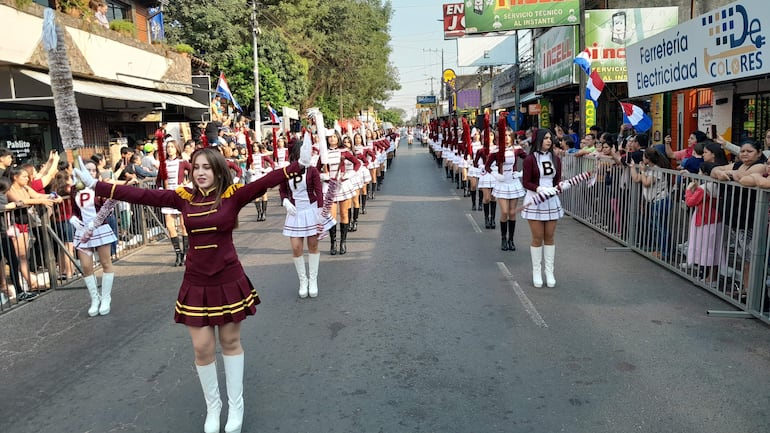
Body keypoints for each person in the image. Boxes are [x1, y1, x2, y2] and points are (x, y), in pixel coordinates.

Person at [74, 147, 303, 433]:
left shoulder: (232, 196)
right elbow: (143, 196)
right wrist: (98, 184)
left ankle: (236, 405)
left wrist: (297, 166)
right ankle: (213, 407)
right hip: (196, 281)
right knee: (202, 347)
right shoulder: (183, 198)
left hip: (228, 278)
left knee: (230, 343)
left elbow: (264, 181)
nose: (201, 172)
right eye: (196, 167)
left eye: (207, 167)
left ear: (218, 170)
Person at [280, 140, 334, 298]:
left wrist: (320, 214)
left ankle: (313, 280)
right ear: (297, 153)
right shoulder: (287, 170)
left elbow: (319, 193)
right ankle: (302, 281)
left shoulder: (312, 171)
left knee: (313, 246)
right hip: (295, 212)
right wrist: (285, 201)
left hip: (311, 211)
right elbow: (283, 191)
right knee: (296, 247)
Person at [70, 160, 118, 316]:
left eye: (92, 170)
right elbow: (74, 209)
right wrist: (73, 218)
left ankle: (105, 298)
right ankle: (94, 299)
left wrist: (96, 222)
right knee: (85, 266)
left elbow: (109, 206)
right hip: (82, 231)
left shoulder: (99, 187)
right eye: (87, 170)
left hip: (100, 228)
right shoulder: (74, 189)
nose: (90, 173)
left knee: (105, 262)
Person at [6, 165, 62, 294]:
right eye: (24, 177)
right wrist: (40, 201)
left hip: (25, 223)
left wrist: (53, 196)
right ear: (15, 177)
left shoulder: (25, 187)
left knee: (24, 255)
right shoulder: (10, 189)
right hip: (14, 224)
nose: (27, 179)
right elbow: (21, 201)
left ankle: (31, 282)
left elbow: (36, 195)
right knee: (20, 256)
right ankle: (30, 283)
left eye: (27, 176)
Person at [521, 128, 563, 288]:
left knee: (550, 237)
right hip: (535, 199)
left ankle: (549, 272)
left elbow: (557, 180)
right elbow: (526, 182)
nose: (549, 141)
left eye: (550, 138)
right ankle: (536, 271)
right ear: (538, 139)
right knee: (538, 237)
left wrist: (559, 186)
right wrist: (539, 189)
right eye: (545, 138)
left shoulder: (556, 159)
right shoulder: (530, 159)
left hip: (551, 201)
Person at [158, 140, 193, 266]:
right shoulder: (163, 164)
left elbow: (193, 171)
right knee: (170, 226)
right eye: (168, 147)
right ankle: (178, 254)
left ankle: (186, 253)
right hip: (168, 196)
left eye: (172, 147)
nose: (170, 149)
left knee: (184, 226)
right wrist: (161, 191)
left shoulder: (182, 162)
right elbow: (158, 181)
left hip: (180, 194)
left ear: (177, 149)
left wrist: (187, 184)